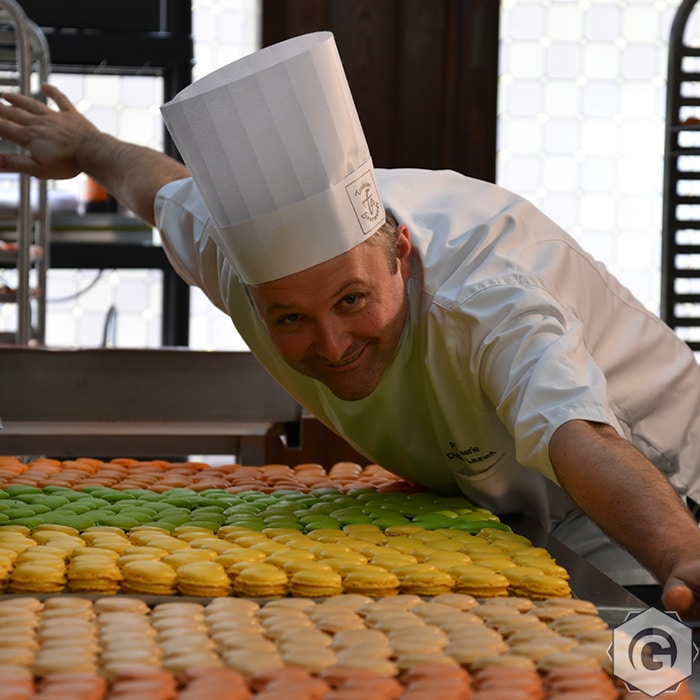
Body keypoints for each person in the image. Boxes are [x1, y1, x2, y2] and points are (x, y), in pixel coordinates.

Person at [1, 32, 700, 618]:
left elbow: (577, 433)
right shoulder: (230, 251)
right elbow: (156, 187)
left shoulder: (488, 295)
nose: (331, 347)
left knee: (649, 666)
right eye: (291, 318)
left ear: (399, 254)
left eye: (351, 302)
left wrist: (679, 553)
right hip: (493, 500)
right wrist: (86, 145)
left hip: (644, 499)